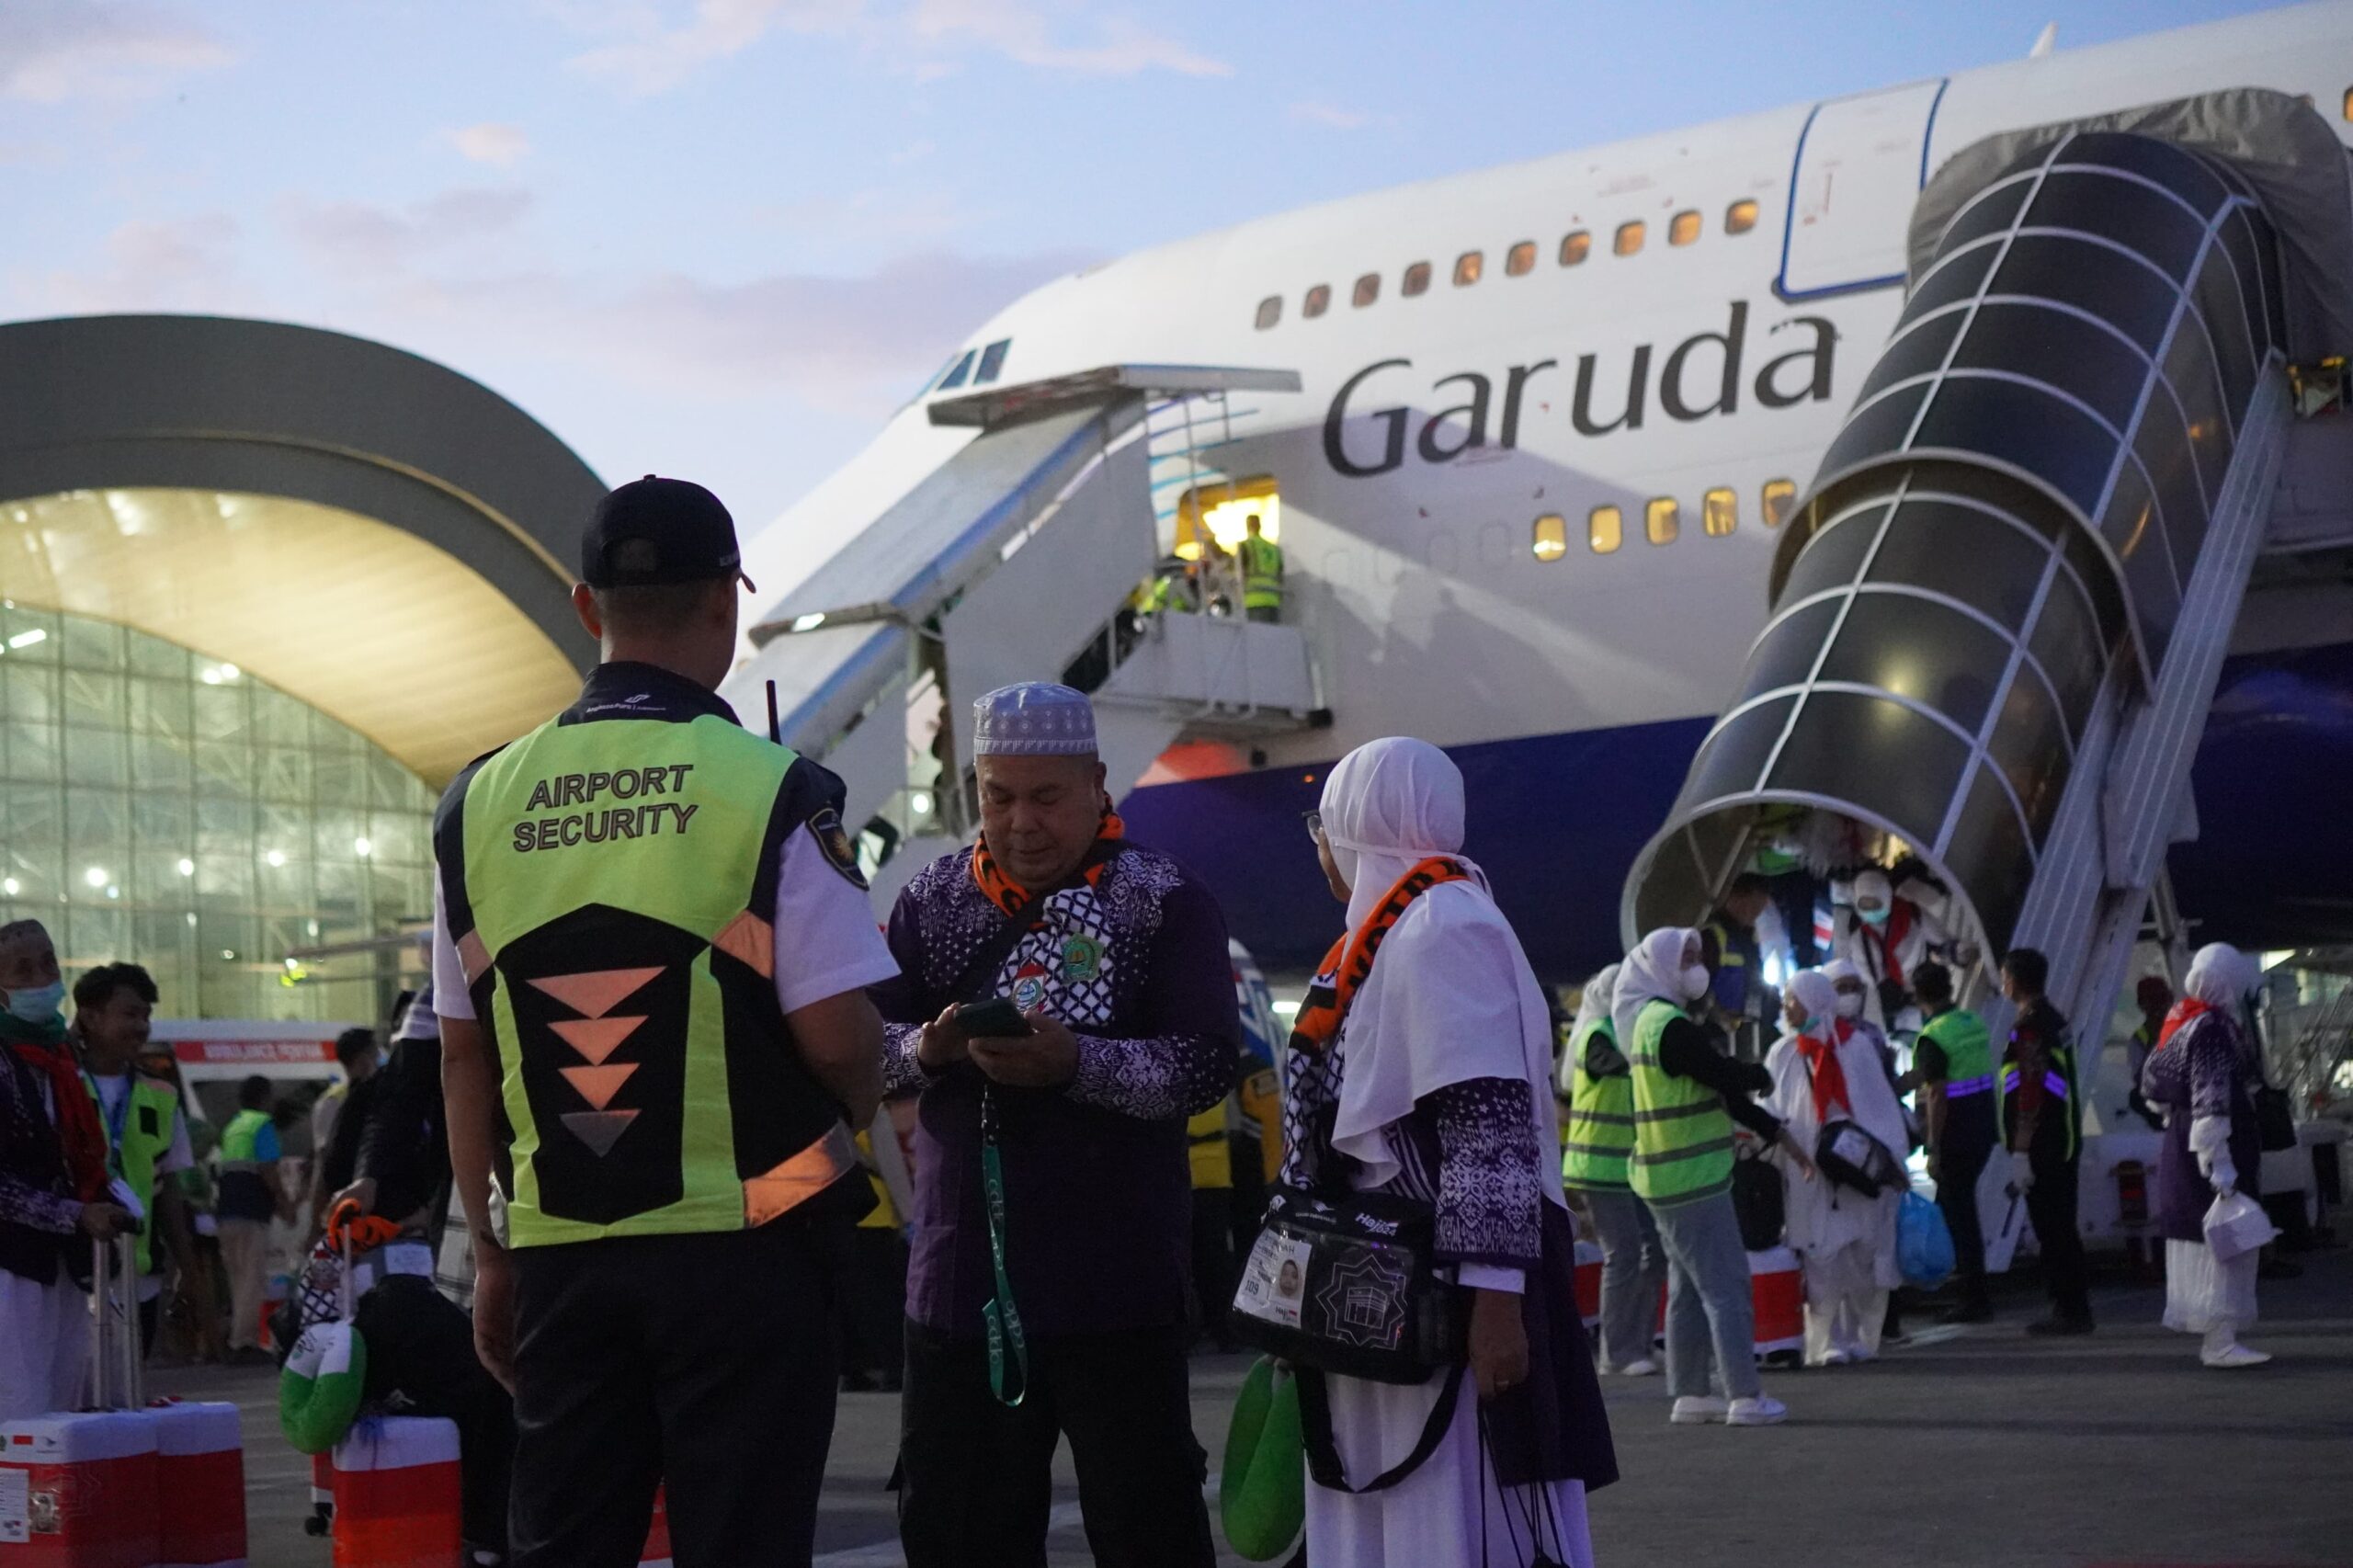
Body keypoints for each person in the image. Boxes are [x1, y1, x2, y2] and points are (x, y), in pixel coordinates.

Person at [431, 474, 898, 1568]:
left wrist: (492, 1254)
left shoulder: (477, 801)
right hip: (747, 1260)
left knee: (563, 1540)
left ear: (586, 608)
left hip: (559, 1257)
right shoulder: (775, 785)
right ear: (728, 604)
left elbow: (462, 1057)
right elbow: (840, 1040)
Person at [873, 681, 1234, 1568]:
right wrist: (931, 1046)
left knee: (1147, 1534)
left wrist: (1077, 1064)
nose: (1021, 823)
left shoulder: (1162, 898)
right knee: (960, 1538)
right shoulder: (930, 901)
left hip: (1118, 1292)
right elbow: (860, 1052)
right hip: (962, 1296)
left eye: (1046, 798)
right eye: (999, 797)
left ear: (1098, 785)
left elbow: (1201, 1066)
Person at [1288, 738, 1614, 1565]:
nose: (1318, 845)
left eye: (1321, 825)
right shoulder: (1388, 933)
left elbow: (1489, 1122)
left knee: (1454, 1504)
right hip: (1383, 1284)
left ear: (1358, 825)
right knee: (1396, 1498)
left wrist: (1495, 1306)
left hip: (1447, 1293)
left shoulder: (1443, 926)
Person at [1617, 927, 1813, 1426]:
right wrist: (1760, 1074)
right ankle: (1745, 1396)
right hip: (1693, 1178)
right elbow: (1722, 1076)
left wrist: (1776, 1133)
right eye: (1685, 958)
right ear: (1658, 965)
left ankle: (1691, 1393)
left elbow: (1714, 1089)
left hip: (1664, 1178)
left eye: (1697, 956)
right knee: (1726, 1287)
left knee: (1686, 1289)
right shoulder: (1668, 1025)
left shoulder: (1647, 1023)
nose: (1696, 966)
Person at [1, 920, 135, 1420]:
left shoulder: (58, 1054)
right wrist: (73, 1214)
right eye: (23, 970)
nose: (42, 978)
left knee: (62, 1417)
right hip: (11, 1270)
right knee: (19, 1417)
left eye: (49, 963)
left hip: (62, 1265)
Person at [1765, 972, 1907, 1366]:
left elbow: (1879, 1105)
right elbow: (1775, 1108)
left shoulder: (1855, 1046)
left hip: (1853, 1169)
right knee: (1820, 1255)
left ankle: (1864, 1335)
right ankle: (1827, 1340)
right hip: (1808, 1168)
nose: (1787, 1008)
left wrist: (1889, 1157)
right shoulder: (1783, 1052)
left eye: (1792, 1000)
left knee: (1861, 1252)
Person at [2142, 944, 2271, 1368]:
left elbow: (2152, 1087)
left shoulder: (2182, 1020)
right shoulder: (2213, 1028)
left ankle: (2219, 1334)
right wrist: (2219, 1160)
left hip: (2183, 1142)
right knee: (2224, 1240)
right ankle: (2220, 1339)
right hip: (2212, 1147)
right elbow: (2211, 1098)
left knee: (2210, 1238)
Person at [73, 961, 196, 1354]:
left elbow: (171, 1193)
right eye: (130, 1014)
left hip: (136, 1278)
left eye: (147, 1015)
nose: (142, 1026)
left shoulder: (161, 1095)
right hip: (69, 1276)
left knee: (128, 1400)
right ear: (89, 1017)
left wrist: (191, 1278)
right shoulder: (57, 1084)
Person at [1560, 963, 1663, 1376]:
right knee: (1622, 1255)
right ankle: (1616, 1353)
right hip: (1599, 1167)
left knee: (1650, 1251)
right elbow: (1615, 1065)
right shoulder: (1595, 1035)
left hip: (1629, 1166)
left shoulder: (1619, 1033)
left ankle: (1638, 1344)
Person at [1998, 948, 2093, 1335]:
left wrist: (2021, 1150)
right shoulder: (2054, 1017)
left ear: (2015, 981)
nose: (2001, 983)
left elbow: (2031, 1090)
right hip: (2062, 1137)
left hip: (2044, 1143)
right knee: (2062, 1228)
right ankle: (2074, 1307)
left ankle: (2068, 1310)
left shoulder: (2031, 1026)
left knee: (2052, 1231)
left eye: (2004, 976)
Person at [1911, 961, 1996, 1323]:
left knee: (1959, 1219)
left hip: (1955, 1137)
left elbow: (1937, 1096)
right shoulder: (1970, 1022)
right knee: (1966, 1215)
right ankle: (1976, 1296)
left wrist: (1932, 1147)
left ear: (1917, 996)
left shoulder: (1932, 1036)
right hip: (1983, 1129)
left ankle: (1972, 1301)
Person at [217, 1073, 293, 1363]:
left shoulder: (233, 1127)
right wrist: (285, 1205)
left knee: (237, 1279)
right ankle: (244, 1343)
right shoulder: (262, 1125)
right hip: (251, 1213)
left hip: (227, 1213)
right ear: (265, 1098)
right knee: (251, 1278)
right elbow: (269, 1171)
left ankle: (237, 1338)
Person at [309, 1028, 381, 1231]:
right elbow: (324, 1163)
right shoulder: (335, 1102)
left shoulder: (328, 1101)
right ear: (363, 1058)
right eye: (376, 1052)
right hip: (351, 1205)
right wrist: (315, 1222)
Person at [1187, 1091, 1241, 1350]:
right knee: (1215, 1258)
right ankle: (1222, 1330)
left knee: (1191, 1259)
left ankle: (1194, 1331)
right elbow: (1236, 1129)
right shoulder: (1218, 1084)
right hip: (1214, 1178)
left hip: (1186, 1178)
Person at [1702, 873, 1775, 1059]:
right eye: (1754, 906)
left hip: (1746, 1031)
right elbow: (1700, 988)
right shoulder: (1712, 936)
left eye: (1760, 908)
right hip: (1716, 1036)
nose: (1756, 913)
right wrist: (1721, 1017)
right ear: (1735, 898)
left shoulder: (1749, 939)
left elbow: (1753, 980)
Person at [2125, 975, 2173, 1131]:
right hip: (2160, 1100)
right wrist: (2154, 1042)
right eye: (2153, 1002)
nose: (2159, 1007)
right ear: (2143, 1006)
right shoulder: (2139, 1040)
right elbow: (2141, 1081)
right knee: (2136, 1097)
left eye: (2162, 999)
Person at [1238, 514, 1284, 624]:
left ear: (1247, 526)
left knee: (1256, 638)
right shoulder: (1274, 549)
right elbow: (1280, 574)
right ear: (1260, 526)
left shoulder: (1245, 546)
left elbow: (1240, 573)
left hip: (1253, 600)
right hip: (1273, 600)